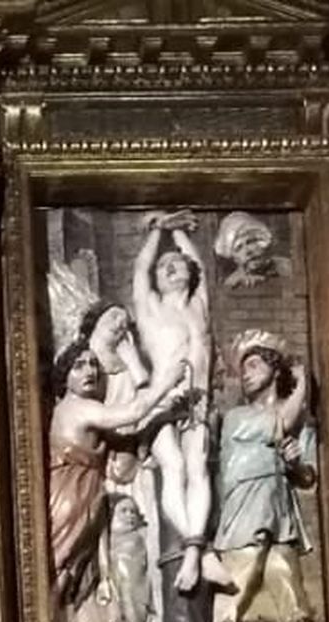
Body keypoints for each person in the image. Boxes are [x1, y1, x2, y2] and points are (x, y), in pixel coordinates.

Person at [47, 343, 188, 616]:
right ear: (64, 377)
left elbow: (126, 441)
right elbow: (133, 413)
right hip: (70, 495)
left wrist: (165, 411)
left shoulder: (87, 412)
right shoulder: (77, 407)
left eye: (93, 365)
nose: (89, 371)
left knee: (67, 568)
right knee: (59, 565)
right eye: (79, 366)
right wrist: (166, 381)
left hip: (84, 496)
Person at [212, 332, 317, 622]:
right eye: (244, 368)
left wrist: (294, 463)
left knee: (284, 572)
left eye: (254, 365)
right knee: (242, 572)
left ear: (274, 370)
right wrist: (302, 387)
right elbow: (280, 421)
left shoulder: (302, 426)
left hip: (279, 508)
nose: (246, 373)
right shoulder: (237, 418)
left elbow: (308, 478)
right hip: (245, 503)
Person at [132, 212, 217, 592]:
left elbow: (197, 263)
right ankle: (195, 549)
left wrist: (178, 230)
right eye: (164, 266)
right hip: (163, 397)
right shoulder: (151, 308)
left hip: (198, 399)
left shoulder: (199, 306)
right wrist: (158, 232)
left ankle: (195, 552)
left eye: (176, 264)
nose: (171, 268)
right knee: (175, 466)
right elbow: (141, 268)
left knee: (197, 467)